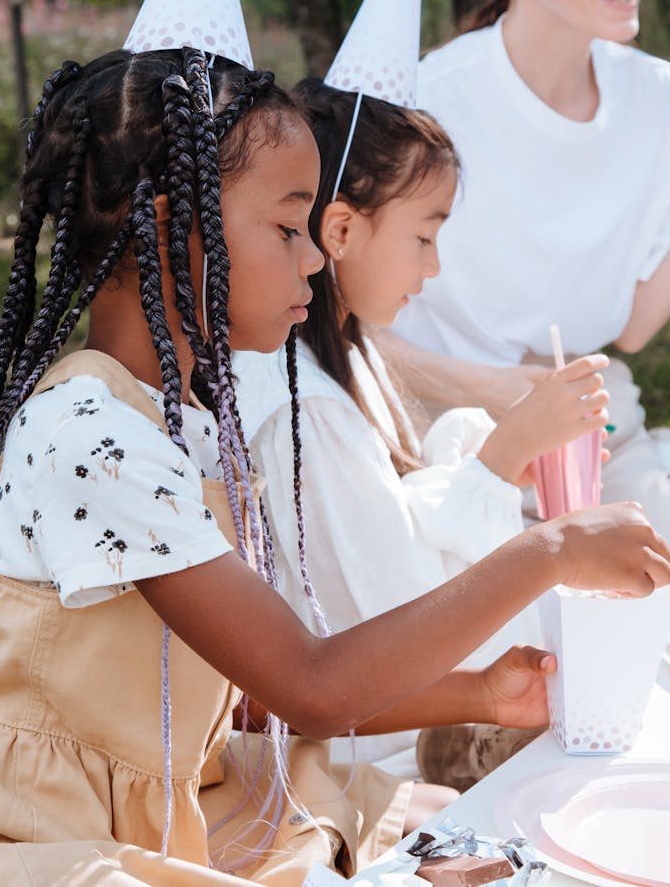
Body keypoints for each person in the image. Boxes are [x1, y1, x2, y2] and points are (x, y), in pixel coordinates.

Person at [0, 47, 670, 886]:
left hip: (171, 796)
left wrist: (478, 695)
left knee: (458, 834)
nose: (315, 258)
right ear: (169, 229)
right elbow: (312, 685)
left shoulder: (182, 421)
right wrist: (552, 551)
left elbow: (229, 690)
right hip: (63, 833)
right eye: (286, 228)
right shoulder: (93, 432)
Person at [388, 0, 670, 618]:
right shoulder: (428, 105)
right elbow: (334, 324)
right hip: (442, 463)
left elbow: (636, 321)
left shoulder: (659, 101)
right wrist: (496, 391)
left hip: (594, 452)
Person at [232, 80, 611, 780]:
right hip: (366, 751)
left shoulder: (346, 354)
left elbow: (391, 513)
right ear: (341, 231)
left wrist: (487, 452)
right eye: (425, 236)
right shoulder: (299, 407)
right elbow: (397, 614)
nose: (433, 266)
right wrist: (501, 455)